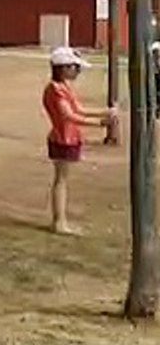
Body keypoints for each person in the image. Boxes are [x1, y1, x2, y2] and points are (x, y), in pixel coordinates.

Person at [43, 47, 116, 235]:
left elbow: (79, 109)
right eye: (75, 68)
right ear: (63, 68)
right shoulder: (56, 90)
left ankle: (60, 220)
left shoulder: (62, 88)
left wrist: (103, 112)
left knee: (62, 180)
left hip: (68, 137)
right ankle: (59, 222)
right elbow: (69, 116)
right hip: (63, 139)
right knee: (61, 180)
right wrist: (99, 123)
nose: (77, 71)